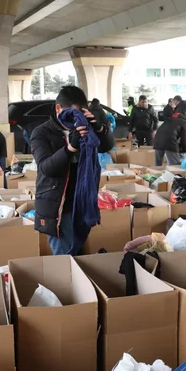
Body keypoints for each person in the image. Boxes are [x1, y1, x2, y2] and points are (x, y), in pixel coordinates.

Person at [30, 86, 115, 255]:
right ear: (58, 109)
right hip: (58, 206)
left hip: (82, 202)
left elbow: (105, 146)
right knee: (65, 258)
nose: (75, 119)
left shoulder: (84, 127)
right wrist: (71, 147)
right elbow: (46, 168)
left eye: (80, 114)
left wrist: (99, 128)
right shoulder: (41, 133)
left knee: (79, 253)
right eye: (71, 114)